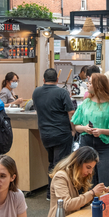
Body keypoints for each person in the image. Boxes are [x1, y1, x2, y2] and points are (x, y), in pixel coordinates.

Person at [72, 73, 109, 187]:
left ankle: (105, 203)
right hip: (86, 144)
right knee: (88, 181)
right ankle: (89, 203)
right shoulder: (86, 103)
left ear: (98, 85)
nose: (87, 85)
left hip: (105, 145)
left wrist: (102, 131)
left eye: (90, 83)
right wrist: (85, 128)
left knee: (104, 181)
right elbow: (76, 126)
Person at [32, 68, 75, 200]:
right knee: (61, 164)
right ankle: (58, 193)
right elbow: (71, 113)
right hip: (61, 133)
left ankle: (51, 193)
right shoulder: (62, 92)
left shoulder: (36, 92)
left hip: (45, 134)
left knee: (52, 163)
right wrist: (73, 130)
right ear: (57, 80)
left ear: (43, 80)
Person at [46, 146, 107, 217]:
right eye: (88, 167)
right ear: (78, 162)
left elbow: (83, 202)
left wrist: (98, 195)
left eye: (92, 168)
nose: (90, 172)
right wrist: (92, 192)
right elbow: (67, 205)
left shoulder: (81, 175)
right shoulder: (60, 177)